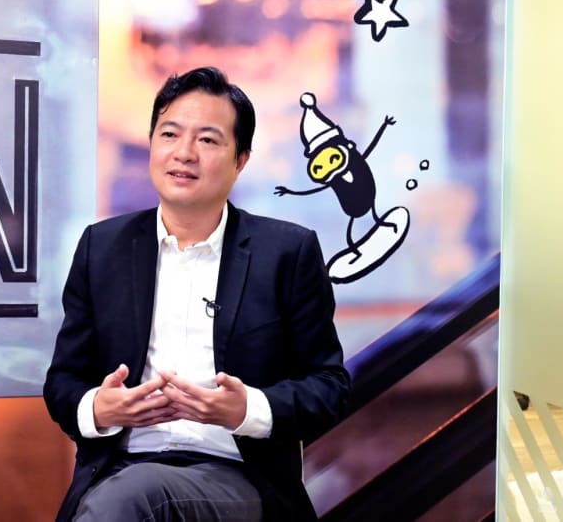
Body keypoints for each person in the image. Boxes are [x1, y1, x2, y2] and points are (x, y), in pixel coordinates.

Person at [43, 66, 351, 522]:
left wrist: (248, 409)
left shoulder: (286, 252)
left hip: (237, 475)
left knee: (129, 498)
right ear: (152, 144)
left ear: (240, 160)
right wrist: (99, 408)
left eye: (207, 140)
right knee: (124, 495)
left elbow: (329, 388)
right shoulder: (101, 248)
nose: (184, 153)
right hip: (120, 467)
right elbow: (63, 382)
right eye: (170, 134)